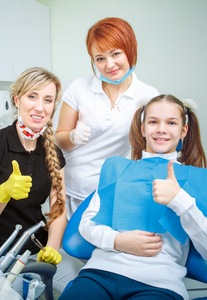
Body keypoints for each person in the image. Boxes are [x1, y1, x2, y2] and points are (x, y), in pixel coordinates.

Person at [59, 94, 207, 300]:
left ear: (184, 130)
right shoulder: (117, 169)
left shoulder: (199, 180)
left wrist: (181, 201)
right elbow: (87, 224)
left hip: (159, 285)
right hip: (98, 275)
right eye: (153, 122)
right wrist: (118, 241)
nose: (161, 129)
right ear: (142, 128)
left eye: (171, 123)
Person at [0, 67, 83, 294]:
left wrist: (53, 247)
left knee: (83, 285)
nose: (40, 107)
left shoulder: (52, 152)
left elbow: (58, 209)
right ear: (17, 99)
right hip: (0, 253)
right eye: (32, 96)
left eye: (48, 100)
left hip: (37, 248)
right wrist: (3, 193)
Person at [55, 17, 159, 221]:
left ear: (130, 49)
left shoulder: (148, 96)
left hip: (111, 192)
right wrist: (73, 137)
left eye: (116, 54)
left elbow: (153, 148)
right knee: (70, 250)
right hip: (72, 190)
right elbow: (59, 139)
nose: (109, 64)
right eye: (100, 58)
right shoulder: (79, 87)